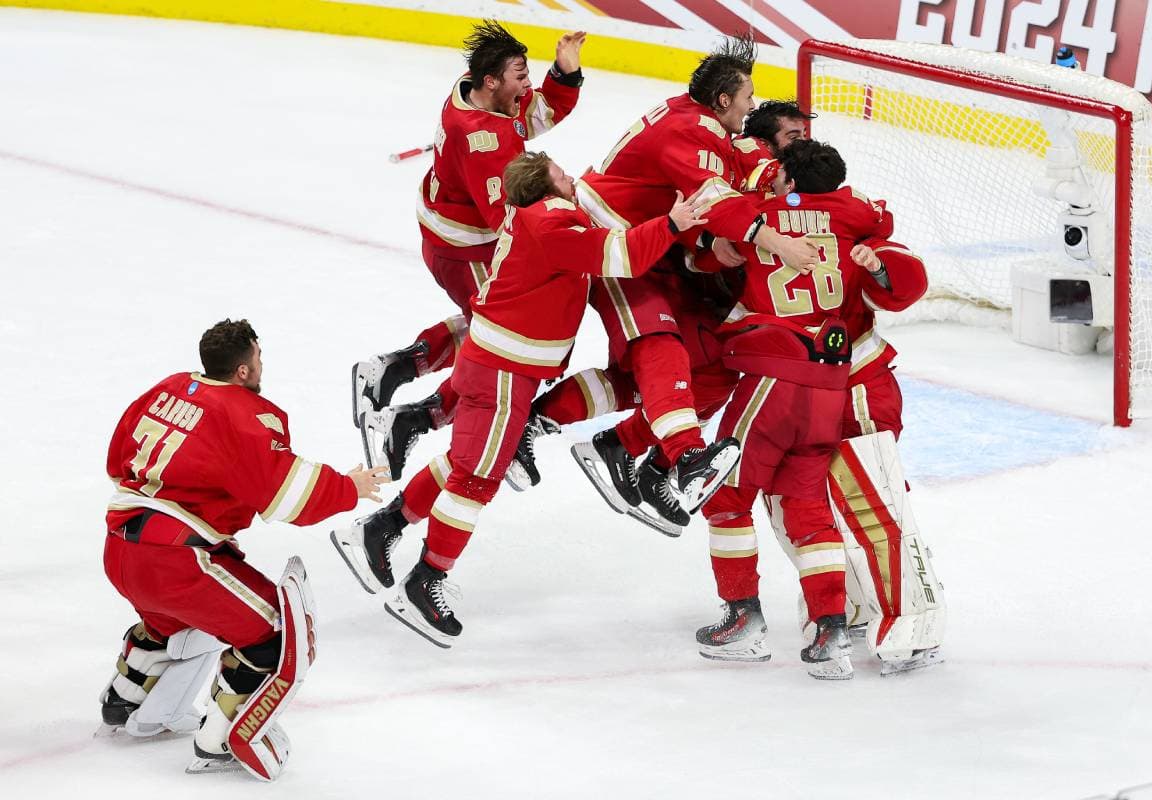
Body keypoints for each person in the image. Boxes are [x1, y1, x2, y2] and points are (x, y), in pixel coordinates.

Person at [330, 152, 734, 647]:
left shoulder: (538, 218)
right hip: (502, 373)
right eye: (563, 176)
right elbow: (619, 255)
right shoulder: (552, 223)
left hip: (497, 365)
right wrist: (672, 222)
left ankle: (383, 527)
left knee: (466, 463)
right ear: (546, 191)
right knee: (475, 480)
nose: (573, 178)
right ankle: (425, 580)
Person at [512, 36, 821, 524]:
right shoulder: (693, 130)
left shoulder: (701, 123)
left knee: (656, 378)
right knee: (660, 349)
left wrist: (714, 244)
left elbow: (714, 198)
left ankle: (547, 424)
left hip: (643, 245)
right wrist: (779, 243)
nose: (750, 106)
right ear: (724, 101)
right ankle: (684, 459)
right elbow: (717, 199)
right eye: (746, 98)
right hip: (610, 241)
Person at [100, 319, 388, 780]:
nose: (260, 364)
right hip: (179, 560)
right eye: (257, 356)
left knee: (173, 624)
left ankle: (126, 698)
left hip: (120, 547)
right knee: (278, 631)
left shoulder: (169, 388)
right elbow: (285, 494)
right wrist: (348, 488)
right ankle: (220, 741)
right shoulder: (245, 413)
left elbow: (119, 463)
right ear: (242, 370)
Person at [686, 139, 901, 679]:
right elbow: (882, 217)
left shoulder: (764, 215)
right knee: (805, 503)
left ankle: (743, 621)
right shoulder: (856, 215)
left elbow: (714, 211)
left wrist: (761, 221)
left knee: (726, 496)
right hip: (831, 383)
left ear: (787, 177)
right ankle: (830, 633)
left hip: (774, 376)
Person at [350, 20, 587, 478]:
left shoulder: (475, 93)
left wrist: (565, 72)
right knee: (504, 342)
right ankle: (412, 412)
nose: (528, 86)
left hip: (459, 238)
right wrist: (571, 213)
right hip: (466, 249)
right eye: (521, 77)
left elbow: (537, 112)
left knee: (499, 330)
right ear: (492, 81)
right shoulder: (486, 142)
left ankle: (395, 376)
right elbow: (511, 219)